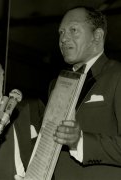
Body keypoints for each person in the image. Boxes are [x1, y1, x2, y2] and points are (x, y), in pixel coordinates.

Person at [52, 6, 121, 180]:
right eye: (61, 32)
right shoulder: (56, 84)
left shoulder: (117, 75)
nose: (63, 38)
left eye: (73, 30)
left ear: (97, 36)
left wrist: (80, 142)